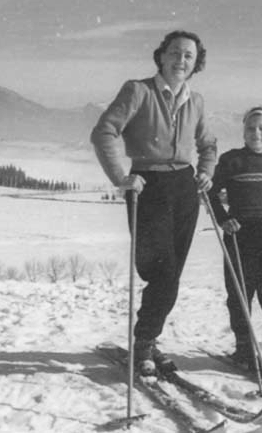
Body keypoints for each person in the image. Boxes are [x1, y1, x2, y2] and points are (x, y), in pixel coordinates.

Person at [90, 30, 217, 376]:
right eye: (175, 52)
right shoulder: (138, 90)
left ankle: (148, 340)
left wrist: (205, 172)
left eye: (189, 55)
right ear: (161, 56)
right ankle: (144, 341)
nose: (181, 60)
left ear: (196, 63)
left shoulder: (197, 100)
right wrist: (121, 178)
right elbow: (104, 131)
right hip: (148, 185)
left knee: (171, 275)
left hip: (184, 187)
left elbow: (208, 145)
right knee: (159, 271)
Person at [207, 106, 262, 380]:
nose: (256, 133)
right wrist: (223, 219)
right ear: (243, 131)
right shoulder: (231, 160)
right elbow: (211, 191)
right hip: (239, 234)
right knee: (239, 294)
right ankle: (244, 348)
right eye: (250, 127)